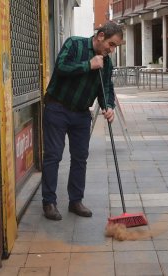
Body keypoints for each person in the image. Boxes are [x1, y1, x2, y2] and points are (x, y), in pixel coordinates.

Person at [41, 21, 123, 221]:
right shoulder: (75, 44)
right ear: (101, 36)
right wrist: (88, 65)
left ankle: (75, 201)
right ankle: (49, 202)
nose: (111, 50)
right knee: (53, 155)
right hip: (57, 107)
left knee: (80, 157)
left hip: (81, 114)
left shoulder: (106, 62)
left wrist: (108, 106)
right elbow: (61, 67)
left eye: (115, 47)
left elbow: (106, 88)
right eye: (111, 45)